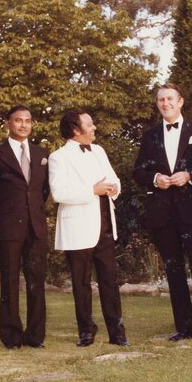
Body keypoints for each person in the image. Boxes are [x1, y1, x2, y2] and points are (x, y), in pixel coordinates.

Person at [133, 83, 192, 345]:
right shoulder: (150, 136)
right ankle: (184, 328)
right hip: (162, 214)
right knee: (174, 270)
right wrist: (155, 178)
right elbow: (138, 171)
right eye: (161, 100)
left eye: (170, 99)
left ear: (180, 101)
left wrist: (189, 175)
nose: (165, 103)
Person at [48, 110, 128, 347]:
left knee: (110, 282)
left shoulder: (99, 151)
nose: (94, 128)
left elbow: (114, 179)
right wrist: (92, 190)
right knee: (81, 283)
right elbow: (59, 193)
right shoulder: (58, 157)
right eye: (90, 124)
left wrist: (114, 188)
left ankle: (117, 332)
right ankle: (86, 331)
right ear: (76, 130)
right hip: (78, 229)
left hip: (105, 227)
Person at [0, 105, 51, 349]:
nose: (23, 125)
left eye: (27, 121)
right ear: (8, 123)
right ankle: (11, 336)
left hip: (36, 226)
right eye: (18, 120)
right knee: (9, 281)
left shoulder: (41, 154)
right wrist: (1, 217)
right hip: (9, 226)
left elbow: (43, 191)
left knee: (36, 281)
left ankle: (35, 336)